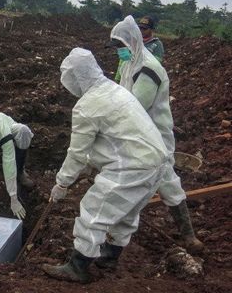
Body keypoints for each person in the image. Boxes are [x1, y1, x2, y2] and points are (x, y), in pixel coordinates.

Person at [42, 48, 171, 283]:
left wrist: (62, 183)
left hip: (132, 165)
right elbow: (113, 138)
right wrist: (92, 164)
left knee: (93, 211)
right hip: (156, 162)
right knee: (127, 212)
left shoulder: (86, 106)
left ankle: (78, 267)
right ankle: (110, 256)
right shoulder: (115, 90)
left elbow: (77, 154)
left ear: (76, 77)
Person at [109, 15, 203, 253]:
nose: (119, 51)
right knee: (167, 182)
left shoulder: (149, 68)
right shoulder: (131, 63)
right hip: (139, 137)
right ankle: (188, 237)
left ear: (132, 42)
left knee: (144, 185)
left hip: (152, 138)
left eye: (121, 46)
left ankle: (113, 248)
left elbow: (134, 107)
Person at [114, 15, 164, 82]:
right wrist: (117, 78)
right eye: (140, 28)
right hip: (126, 78)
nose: (141, 31)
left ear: (152, 29)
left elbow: (156, 64)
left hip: (143, 80)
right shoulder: (133, 42)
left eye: (145, 29)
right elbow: (122, 62)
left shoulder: (156, 44)